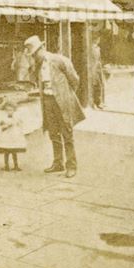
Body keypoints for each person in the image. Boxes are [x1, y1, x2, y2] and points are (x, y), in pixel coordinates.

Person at [23, 34, 84, 179]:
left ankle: (71, 166)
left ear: (42, 48)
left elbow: (75, 80)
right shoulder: (37, 66)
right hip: (48, 101)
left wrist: (66, 95)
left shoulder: (60, 60)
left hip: (62, 101)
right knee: (53, 133)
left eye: (35, 53)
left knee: (67, 134)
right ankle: (58, 163)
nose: (34, 56)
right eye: (32, 55)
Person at [0, 97, 27, 171]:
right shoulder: (3, 118)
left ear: (14, 110)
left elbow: (20, 124)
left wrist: (19, 124)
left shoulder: (16, 117)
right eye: (7, 110)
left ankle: (16, 165)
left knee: (14, 151)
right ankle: (6, 166)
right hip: (6, 137)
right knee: (6, 152)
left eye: (11, 110)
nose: (9, 112)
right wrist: (7, 126)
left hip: (14, 136)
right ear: (5, 110)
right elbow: (1, 127)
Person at [90, 35, 105, 109]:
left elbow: (99, 59)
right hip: (93, 68)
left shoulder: (97, 48)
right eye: (98, 39)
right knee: (96, 85)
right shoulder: (92, 48)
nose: (99, 40)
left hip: (97, 68)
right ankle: (97, 102)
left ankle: (99, 102)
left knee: (99, 84)